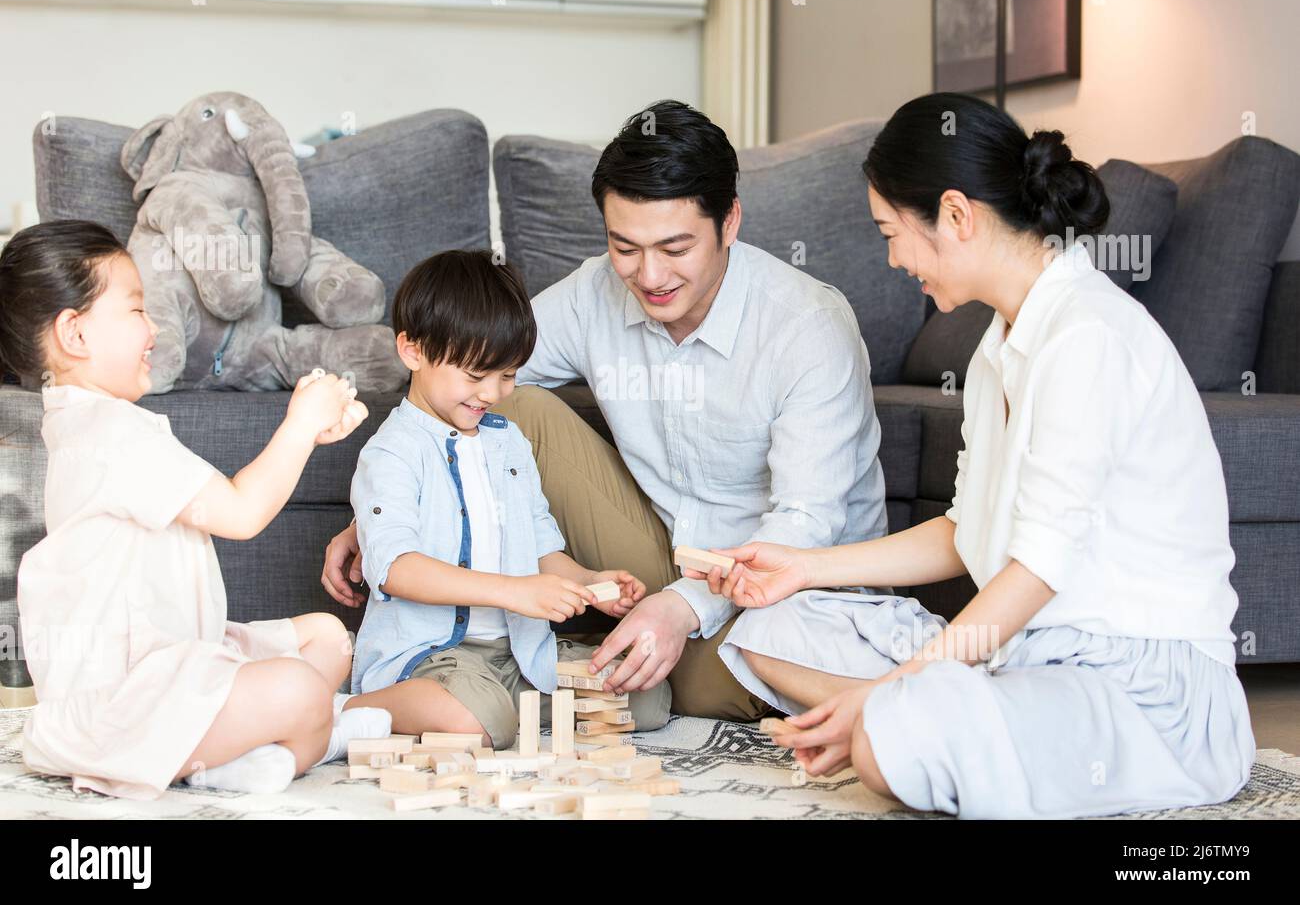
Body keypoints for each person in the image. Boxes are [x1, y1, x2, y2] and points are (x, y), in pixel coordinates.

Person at [691, 93, 1256, 819]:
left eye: (892, 232)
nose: (894, 258)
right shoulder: (1000, 345)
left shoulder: (1088, 336)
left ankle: (895, 717)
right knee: (773, 628)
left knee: (894, 737)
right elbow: (966, 531)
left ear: (956, 215)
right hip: (1022, 658)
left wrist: (896, 690)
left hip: (1140, 690)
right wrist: (802, 568)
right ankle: (915, 713)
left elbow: (1039, 569)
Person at [320, 100, 890, 722]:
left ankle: (644, 653)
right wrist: (382, 517)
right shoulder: (598, 290)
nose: (649, 276)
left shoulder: (806, 326)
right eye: (625, 247)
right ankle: (596, 651)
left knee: (690, 686)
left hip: (773, 584)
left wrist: (680, 609)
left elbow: (805, 524)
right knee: (521, 407)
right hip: (663, 547)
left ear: (730, 223)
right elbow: (469, 372)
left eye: (676, 248)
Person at [0, 220, 388, 799]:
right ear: (75, 335)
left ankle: (237, 755)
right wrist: (300, 424)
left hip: (173, 661)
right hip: (126, 703)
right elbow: (240, 512)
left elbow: (235, 498)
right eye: (135, 311)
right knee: (301, 689)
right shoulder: (108, 434)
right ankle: (310, 739)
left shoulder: (92, 424)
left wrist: (306, 435)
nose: (153, 328)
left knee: (327, 639)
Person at [336, 250, 671, 747]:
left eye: (509, 375)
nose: (493, 392)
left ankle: (505, 708)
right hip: (433, 654)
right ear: (413, 351)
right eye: (475, 376)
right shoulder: (392, 452)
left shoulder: (507, 441)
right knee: (477, 719)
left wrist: (589, 581)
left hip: (518, 650)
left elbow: (539, 547)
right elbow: (395, 568)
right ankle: (348, 707)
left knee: (644, 696)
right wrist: (514, 591)